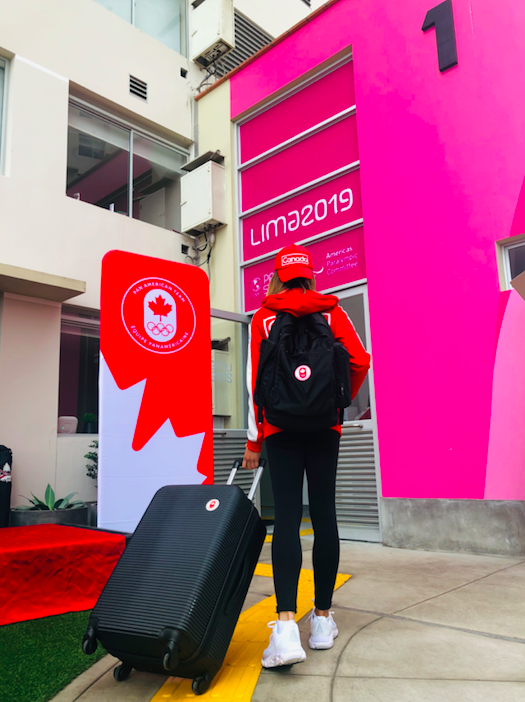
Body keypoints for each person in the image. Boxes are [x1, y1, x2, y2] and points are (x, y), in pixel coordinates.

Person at [242, 243, 371, 668]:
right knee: (325, 517)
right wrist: (335, 401)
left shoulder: (263, 318)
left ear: (277, 276)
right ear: (310, 275)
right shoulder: (332, 312)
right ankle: (321, 620)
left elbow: (253, 384)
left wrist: (254, 439)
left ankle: (284, 629)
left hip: (279, 430)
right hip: (323, 429)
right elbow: (360, 361)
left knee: (286, 523)